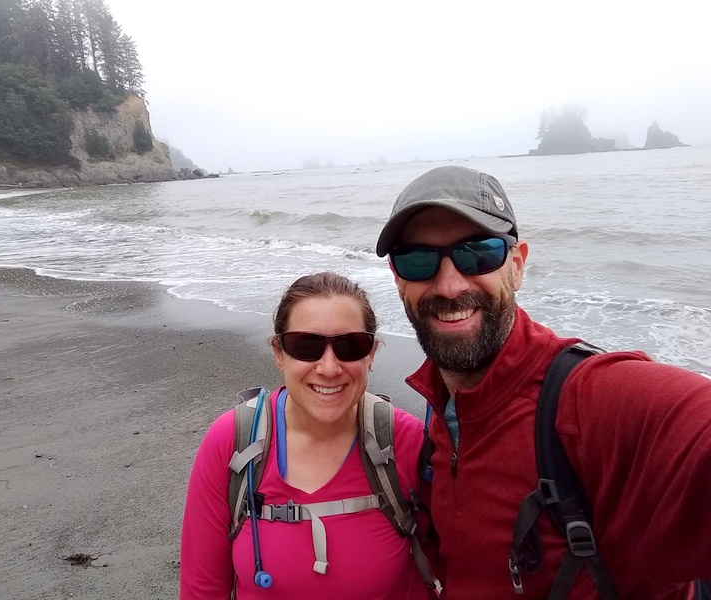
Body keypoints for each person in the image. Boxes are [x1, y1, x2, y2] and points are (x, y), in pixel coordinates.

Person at [376, 165, 711, 599]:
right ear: (398, 279)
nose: (449, 284)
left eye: (478, 253)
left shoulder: (592, 400)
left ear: (517, 266)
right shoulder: (439, 407)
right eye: (418, 259)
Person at [179, 272, 433, 599]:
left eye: (350, 345)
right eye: (306, 345)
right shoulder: (232, 443)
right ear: (279, 353)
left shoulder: (407, 442)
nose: (328, 368)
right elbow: (203, 590)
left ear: (370, 355)